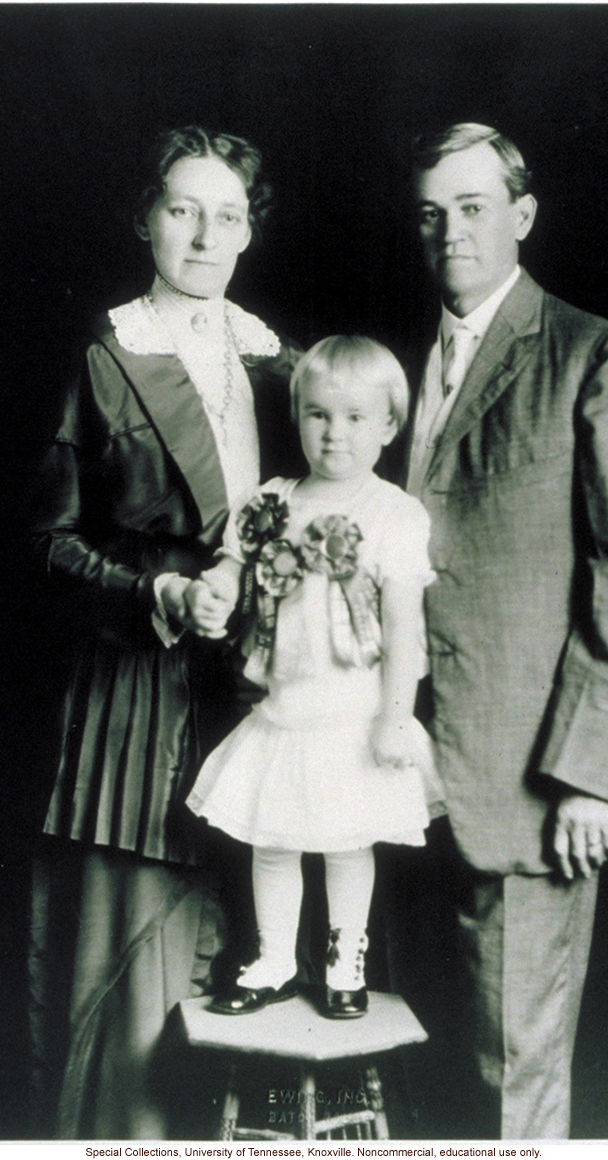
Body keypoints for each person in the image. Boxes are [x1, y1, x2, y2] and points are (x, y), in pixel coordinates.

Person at [393, 123, 608, 1138]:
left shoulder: (596, 354)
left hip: (532, 786)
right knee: (413, 1068)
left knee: (512, 1078)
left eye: (473, 208)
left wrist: (594, 772)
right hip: (402, 774)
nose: (451, 232)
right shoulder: (398, 362)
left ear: (521, 214)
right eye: (432, 213)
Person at [27, 126, 304, 1138]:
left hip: (261, 691)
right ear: (146, 216)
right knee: (135, 982)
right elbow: (44, 541)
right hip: (134, 701)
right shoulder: (106, 350)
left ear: (247, 230)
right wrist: (160, 596)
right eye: (182, 208)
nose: (203, 233)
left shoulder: (279, 360)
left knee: (263, 954)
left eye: (226, 214)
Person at [185, 336, 443, 1019]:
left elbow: (404, 626)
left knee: (347, 843)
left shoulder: (394, 515)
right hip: (283, 709)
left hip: (353, 714)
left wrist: (396, 714)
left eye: (357, 418)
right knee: (275, 839)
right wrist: (218, 584)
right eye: (319, 415)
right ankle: (273, 958)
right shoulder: (272, 500)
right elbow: (234, 564)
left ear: (389, 425)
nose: (335, 434)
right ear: (297, 417)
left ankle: (343, 958)